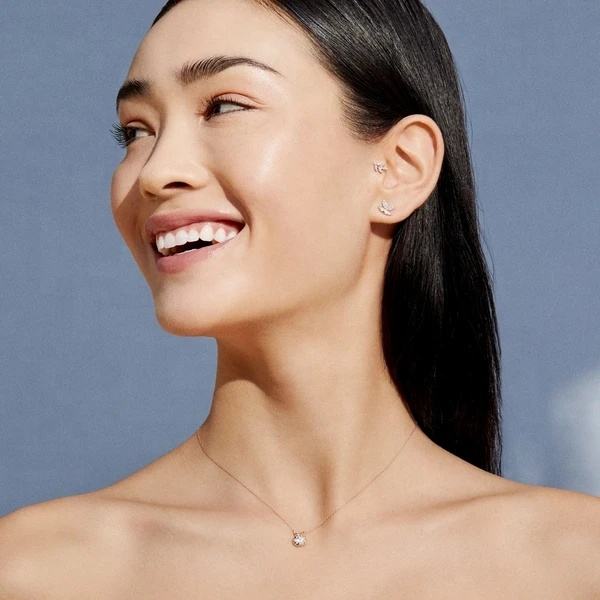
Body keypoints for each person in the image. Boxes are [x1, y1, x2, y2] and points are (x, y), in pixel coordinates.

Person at [1, 0, 599, 597]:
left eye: (224, 106)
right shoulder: (34, 570)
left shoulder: (575, 564)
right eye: (135, 131)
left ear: (399, 167)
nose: (155, 172)